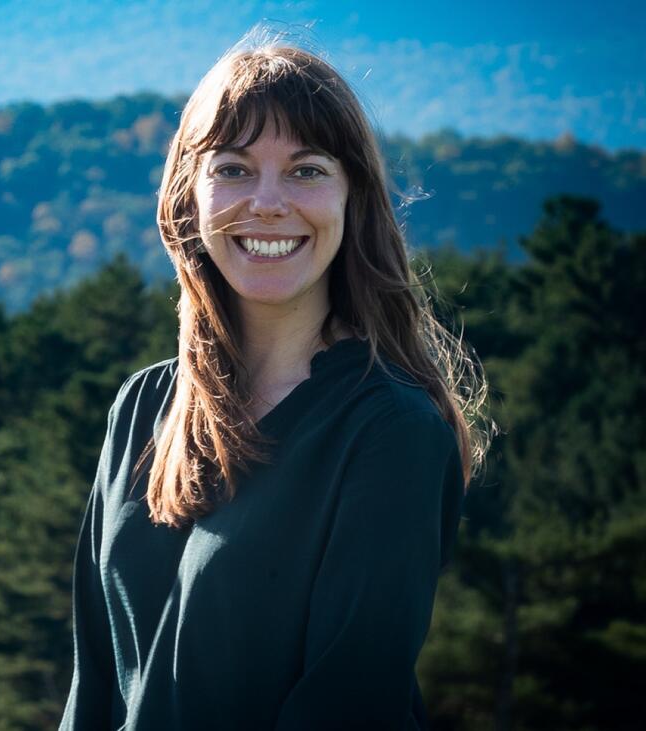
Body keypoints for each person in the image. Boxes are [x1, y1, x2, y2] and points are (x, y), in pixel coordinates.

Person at [58, 36, 493, 731]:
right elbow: (95, 687)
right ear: (186, 198)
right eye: (233, 169)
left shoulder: (390, 432)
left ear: (352, 199)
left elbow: (348, 711)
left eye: (305, 170)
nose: (266, 203)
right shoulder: (142, 407)